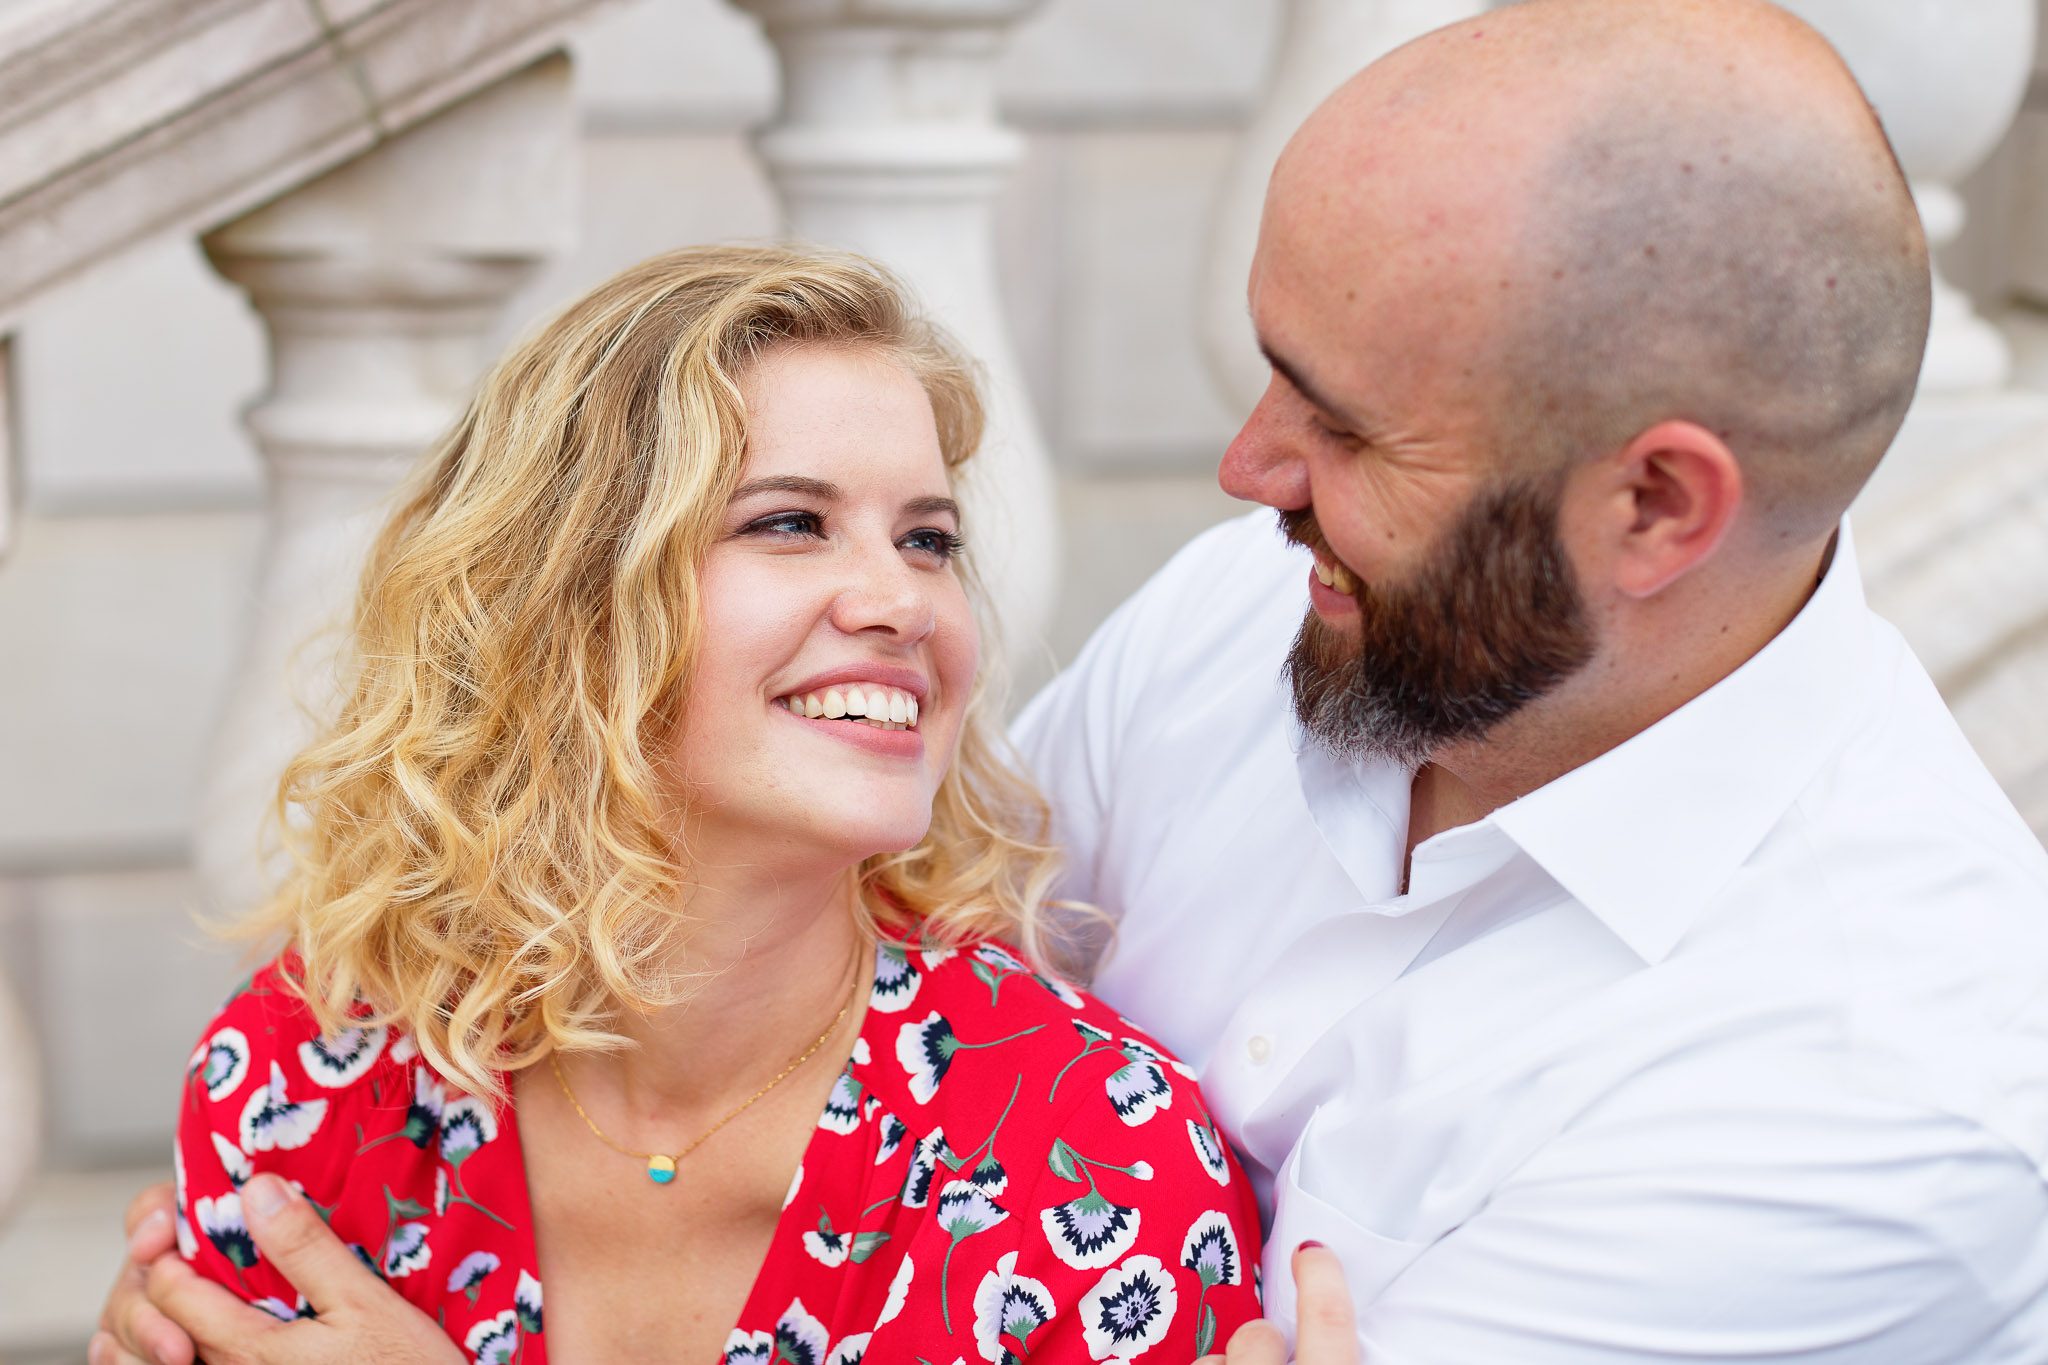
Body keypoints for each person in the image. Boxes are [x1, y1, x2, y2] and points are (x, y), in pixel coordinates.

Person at [99, 1, 2048, 1361]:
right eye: (787, 523)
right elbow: (879, 933)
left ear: (1654, 506)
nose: (1244, 470)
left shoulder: (1892, 1088)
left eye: (1344, 425)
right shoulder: (1251, 621)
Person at [96, 243, 1263, 1365]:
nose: (901, 601)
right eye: (789, 522)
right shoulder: (314, 1071)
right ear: (566, 602)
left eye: (927, 539)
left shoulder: (1088, 1159)